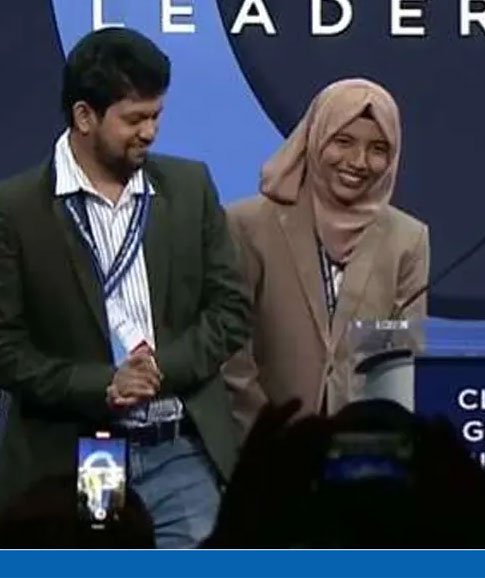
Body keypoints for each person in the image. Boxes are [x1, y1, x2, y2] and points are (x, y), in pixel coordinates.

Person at [0, 28, 250, 548]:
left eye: (156, 115)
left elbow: (230, 310)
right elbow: (7, 349)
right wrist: (104, 385)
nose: (151, 132)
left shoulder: (189, 188)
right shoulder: (16, 210)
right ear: (84, 116)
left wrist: (160, 371)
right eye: (135, 119)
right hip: (84, 451)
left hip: (179, 445)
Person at [223, 79, 429, 435]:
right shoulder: (248, 224)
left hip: (359, 452)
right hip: (260, 443)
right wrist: (269, 434)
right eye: (343, 141)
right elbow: (231, 353)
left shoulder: (408, 239)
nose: (359, 162)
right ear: (315, 138)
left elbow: (400, 358)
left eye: (378, 148)